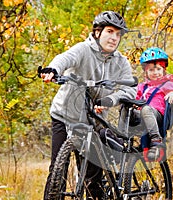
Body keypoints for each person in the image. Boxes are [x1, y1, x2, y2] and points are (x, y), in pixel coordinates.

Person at [38, 11, 136, 199]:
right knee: (58, 170)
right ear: (98, 32)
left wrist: (110, 100)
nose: (114, 38)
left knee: (93, 177)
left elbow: (131, 88)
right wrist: (53, 69)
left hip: (94, 122)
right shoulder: (83, 49)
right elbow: (64, 58)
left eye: (118, 34)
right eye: (110, 31)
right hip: (65, 116)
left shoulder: (121, 61)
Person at [136, 47, 173, 161]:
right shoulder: (142, 86)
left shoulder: (166, 84)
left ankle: (156, 139)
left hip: (157, 114)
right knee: (126, 108)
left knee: (146, 109)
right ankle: (121, 138)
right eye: (151, 70)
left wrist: (172, 94)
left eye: (158, 69)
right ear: (146, 72)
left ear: (163, 70)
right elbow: (135, 98)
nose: (155, 73)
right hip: (142, 114)